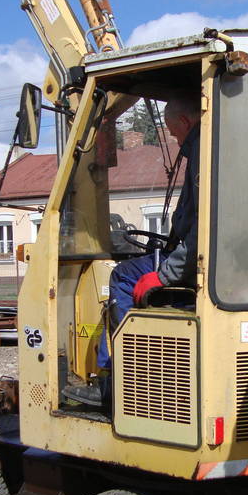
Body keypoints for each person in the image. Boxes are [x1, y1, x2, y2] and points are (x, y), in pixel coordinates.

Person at [65, 94, 201, 407]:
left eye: (173, 130)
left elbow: (203, 228)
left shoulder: (200, 151)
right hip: (201, 261)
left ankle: (120, 376)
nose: (174, 137)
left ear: (183, 121)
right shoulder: (213, 148)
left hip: (193, 262)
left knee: (124, 276)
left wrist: (165, 274)